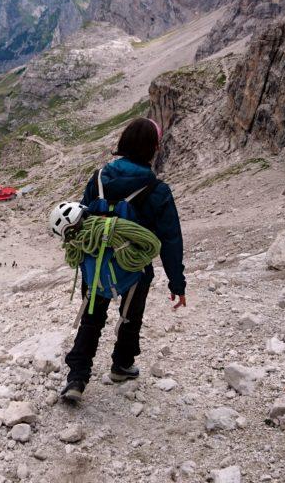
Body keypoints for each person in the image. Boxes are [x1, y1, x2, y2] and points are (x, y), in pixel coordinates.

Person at [61, 117, 186, 403]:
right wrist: (177, 283)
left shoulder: (99, 177)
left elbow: (82, 217)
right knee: (130, 316)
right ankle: (121, 365)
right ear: (153, 148)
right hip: (135, 267)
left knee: (91, 318)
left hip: (96, 261)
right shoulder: (158, 190)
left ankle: (77, 379)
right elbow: (170, 239)